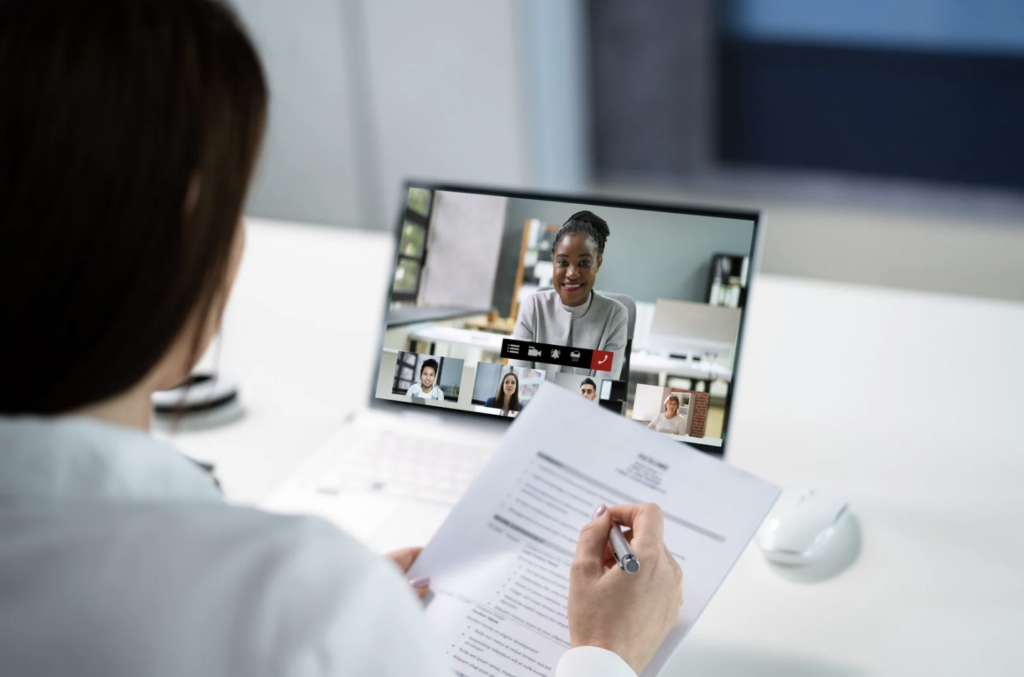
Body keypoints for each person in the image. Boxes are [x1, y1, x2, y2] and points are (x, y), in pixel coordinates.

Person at [0, 1, 682, 676]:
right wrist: (606, 652)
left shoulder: (310, 600)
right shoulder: (302, 606)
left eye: (581, 262)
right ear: (185, 230)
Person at [510, 211, 629, 380]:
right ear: (554, 263)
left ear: (598, 263)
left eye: (584, 263)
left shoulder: (614, 315)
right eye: (563, 263)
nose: (572, 274)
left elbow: (601, 390)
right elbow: (518, 382)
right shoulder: (533, 306)